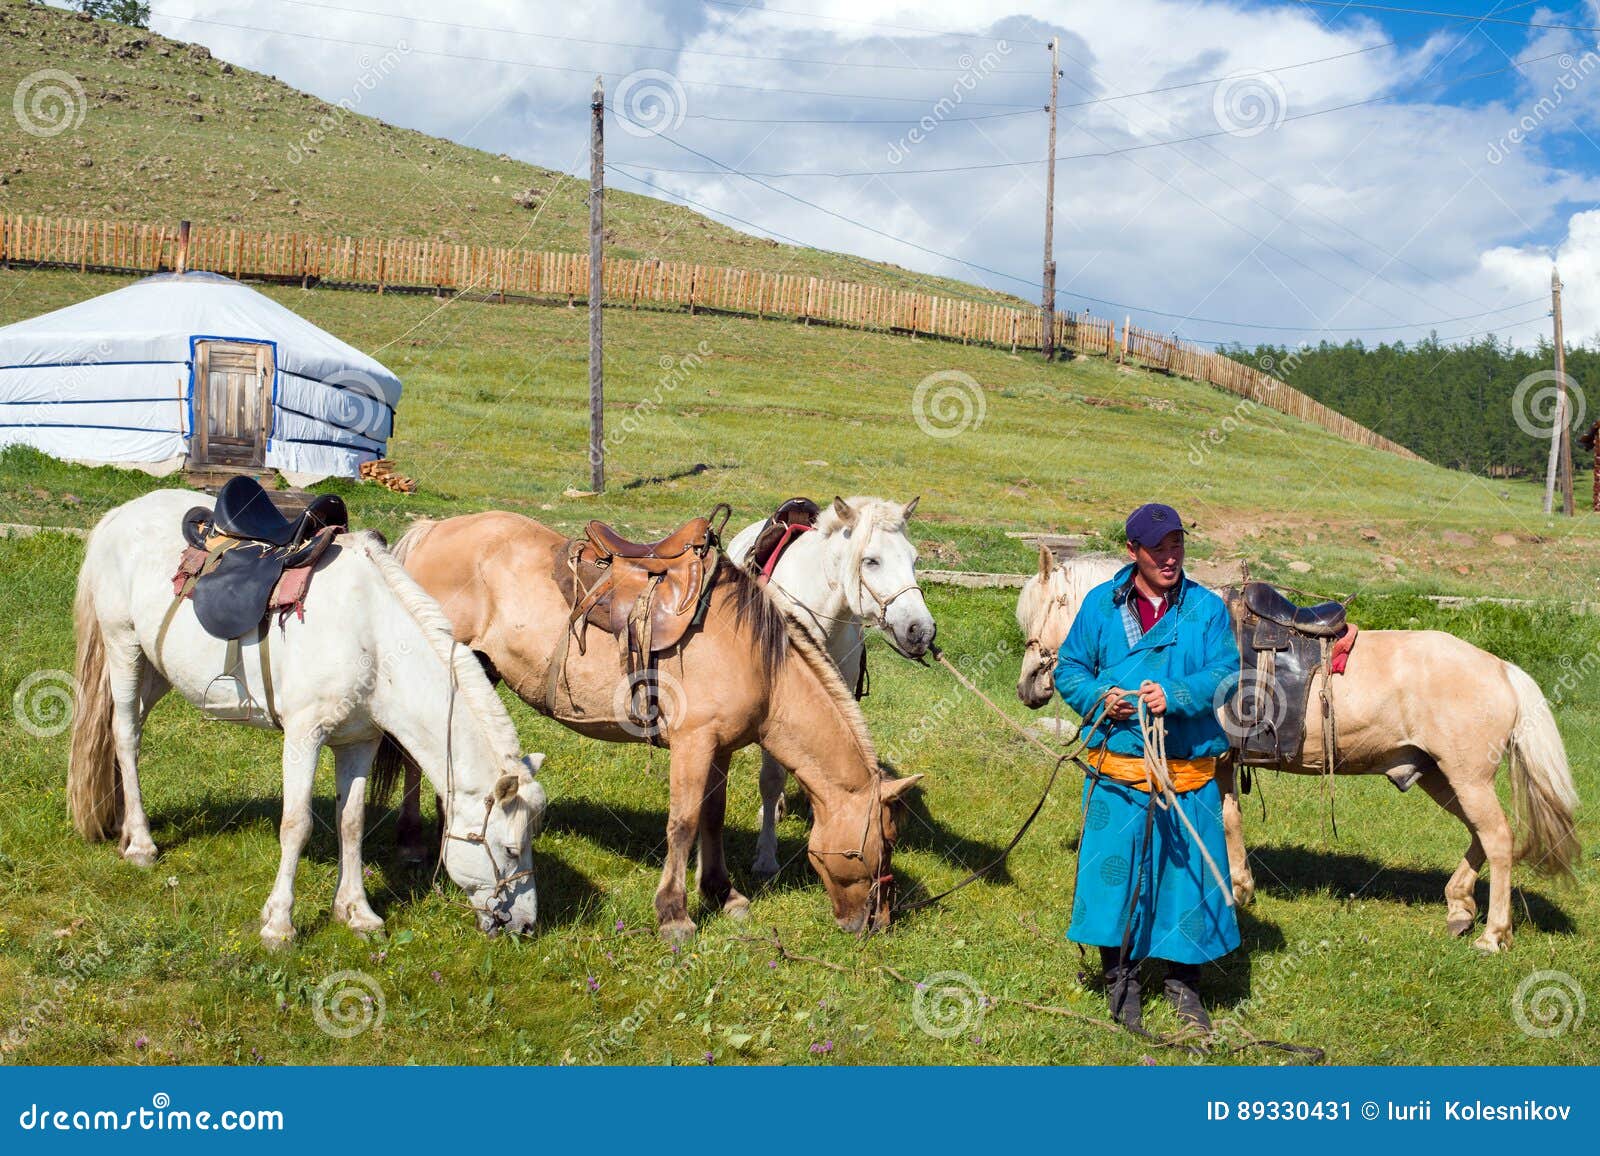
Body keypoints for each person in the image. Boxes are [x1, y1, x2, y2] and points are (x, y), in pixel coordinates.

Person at [1054, 502, 1240, 1032]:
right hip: (1120, 773)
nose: (1170, 557)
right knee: (1117, 878)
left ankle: (1184, 984)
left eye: (1177, 544)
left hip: (1184, 772)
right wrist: (1099, 696)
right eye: (1158, 548)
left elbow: (1226, 671)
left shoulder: (1204, 609)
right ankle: (1122, 978)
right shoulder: (1100, 607)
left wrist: (1177, 693)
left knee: (1186, 880)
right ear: (1132, 551)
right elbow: (1070, 668)